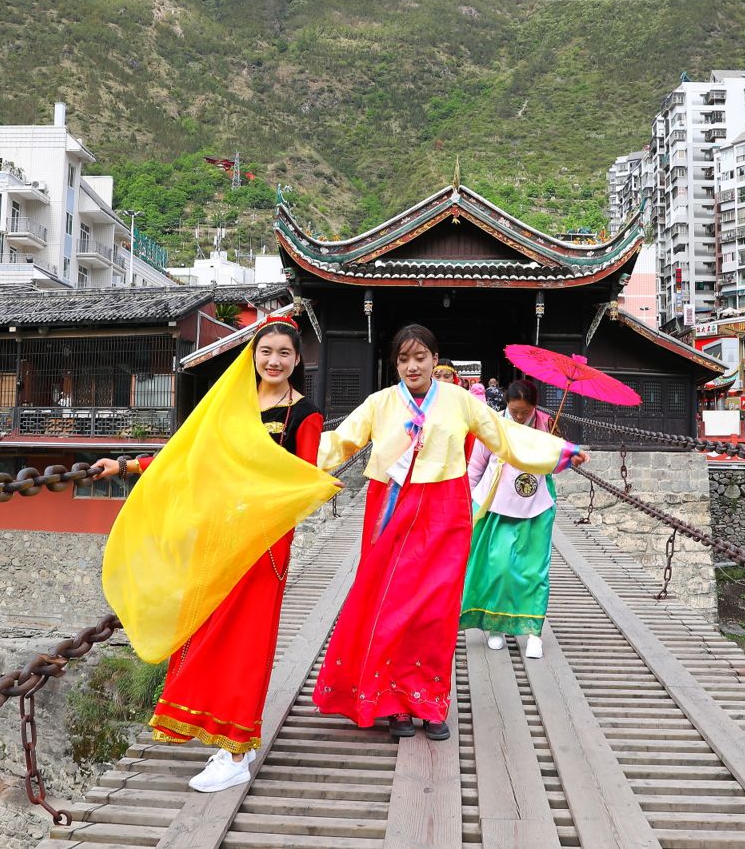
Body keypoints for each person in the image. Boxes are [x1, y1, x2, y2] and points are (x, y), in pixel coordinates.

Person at [313, 324, 586, 741]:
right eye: (404, 359)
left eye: (420, 357)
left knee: (437, 610)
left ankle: (429, 702)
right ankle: (393, 703)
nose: (412, 366)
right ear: (396, 364)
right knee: (392, 605)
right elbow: (338, 442)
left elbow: (505, 436)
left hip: (444, 509)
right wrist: (286, 449)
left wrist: (559, 452)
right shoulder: (380, 403)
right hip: (392, 508)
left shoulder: (460, 401)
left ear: (435, 359)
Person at [99, 317, 333, 793]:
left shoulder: (304, 414)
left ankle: (237, 751)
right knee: (205, 632)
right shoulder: (232, 403)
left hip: (262, 542)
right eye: (266, 351)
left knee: (246, 641)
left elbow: (300, 478)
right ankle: (224, 736)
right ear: (253, 356)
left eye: (284, 353)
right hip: (216, 534)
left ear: (296, 361)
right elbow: (189, 457)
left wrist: (315, 486)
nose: (273, 361)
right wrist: (127, 466)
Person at [461, 379, 557, 660]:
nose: (519, 417)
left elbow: (556, 467)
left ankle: (534, 632)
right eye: (514, 411)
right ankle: (496, 625)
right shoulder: (494, 425)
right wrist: (467, 503)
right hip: (498, 504)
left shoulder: (547, 424)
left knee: (533, 571)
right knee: (500, 566)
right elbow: (476, 466)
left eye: (525, 412)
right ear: (506, 404)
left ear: (534, 407)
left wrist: (557, 448)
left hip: (535, 505)